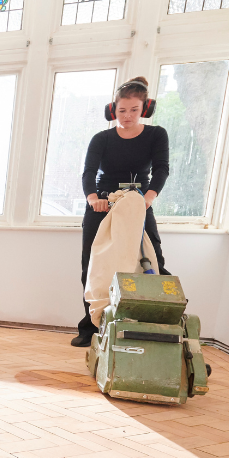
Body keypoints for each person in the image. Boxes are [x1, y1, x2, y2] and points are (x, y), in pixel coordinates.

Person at [71, 77, 171, 347]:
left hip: (138, 202)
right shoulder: (101, 139)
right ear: (113, 110)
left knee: (154, 260)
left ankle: (157, 322)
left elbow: (161, 168)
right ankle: (90, 327)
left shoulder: (156, 134)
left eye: (134, 110)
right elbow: (89, 172)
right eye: (122, 110)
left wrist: (148, 198)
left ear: (145, 109)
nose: (127, 116)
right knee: (93, 265)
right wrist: (93, 198)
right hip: (102, 202)